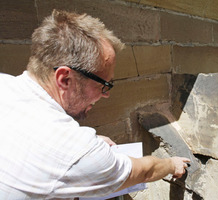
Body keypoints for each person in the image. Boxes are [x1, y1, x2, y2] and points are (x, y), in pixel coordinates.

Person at [0, 10, 190, 199]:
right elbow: (143, 172)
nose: (105, 95)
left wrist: (92, 141)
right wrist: (171, 164)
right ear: (65, 79)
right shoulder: (76, 151)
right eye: (104, 85)